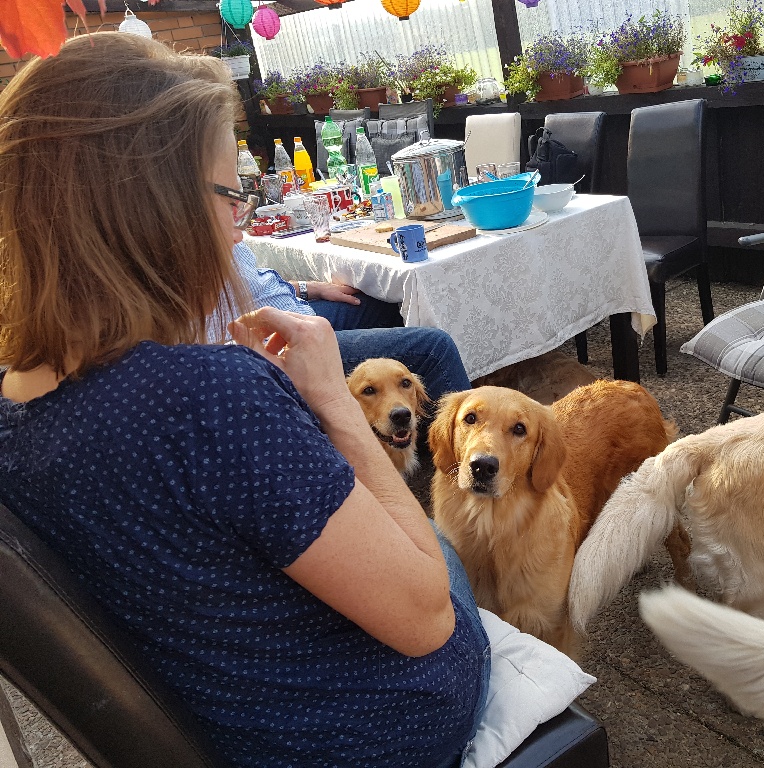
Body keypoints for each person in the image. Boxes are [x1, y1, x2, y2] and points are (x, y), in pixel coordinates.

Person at [0, 32, 488, 768]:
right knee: (443, 547)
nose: (242, 221)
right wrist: (329, 400)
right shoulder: (206, 397)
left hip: (231, 717)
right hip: (376, 729)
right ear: (152, 208)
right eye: (231, 194)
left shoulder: (16, 413)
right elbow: (426, 620)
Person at [228, 242, 473, 401]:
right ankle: (464, 454)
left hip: (298, 311)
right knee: (435, 347)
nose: (240, 234)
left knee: (389, 303)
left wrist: (310, 288)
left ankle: (408, 431)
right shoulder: (209, 236)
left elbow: (255, 286)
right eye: (231, 204)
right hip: (276, 343)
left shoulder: (226, 225)